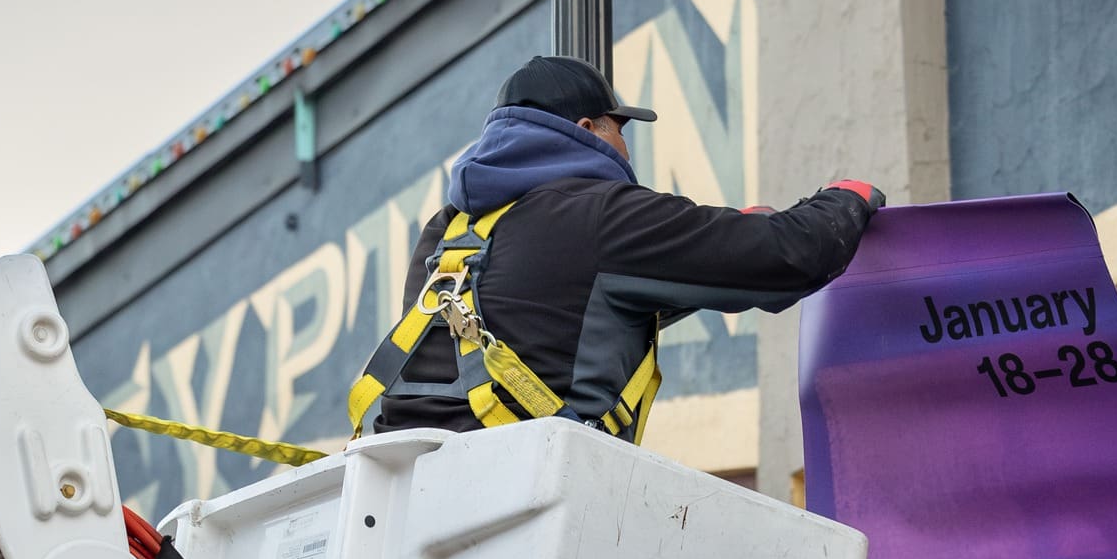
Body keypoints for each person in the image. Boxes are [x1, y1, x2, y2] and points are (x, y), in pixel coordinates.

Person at [349, 54, 885, 443]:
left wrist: (694, 272)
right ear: (587, 128)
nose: (628, 149)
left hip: (411, 498)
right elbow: (788, 255)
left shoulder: (445, 233)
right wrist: (849, 198)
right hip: (530, 503)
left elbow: (559, 322)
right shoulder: (601, 212)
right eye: (621, 130)